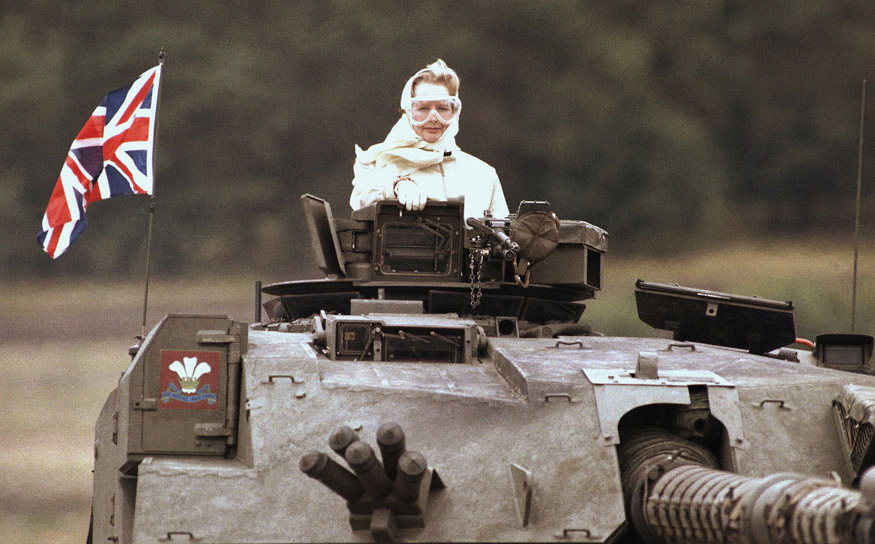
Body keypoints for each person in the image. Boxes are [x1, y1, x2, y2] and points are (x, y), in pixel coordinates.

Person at [349, 59, 510, 219]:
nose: (433, 118)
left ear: (455, 112)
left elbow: (504, 235)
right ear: (408, 111)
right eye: (423, 108)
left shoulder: (483, 175)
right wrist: (396, 186)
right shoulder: (373, 162)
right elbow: (362, 199)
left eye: (442, 108)